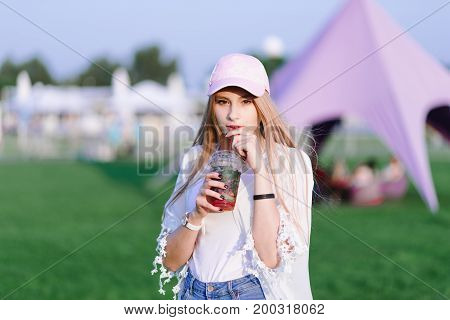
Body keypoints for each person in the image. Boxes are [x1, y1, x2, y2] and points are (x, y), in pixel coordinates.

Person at [151, 53, 315, 300]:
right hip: (193, 296)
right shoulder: (195, 160)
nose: (233, 115)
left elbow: (270, 257)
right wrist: (197, 215)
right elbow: (170, 262)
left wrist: (261, 171)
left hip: (250, 295)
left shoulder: (291, 162)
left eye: (246, 101)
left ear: (262, 106)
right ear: (212, 106)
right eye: (223, 101)